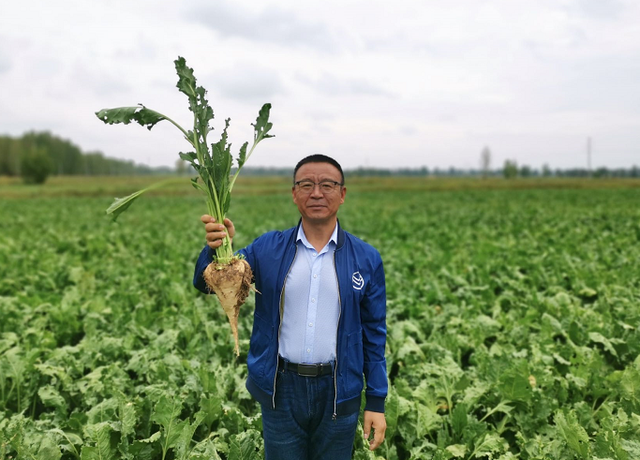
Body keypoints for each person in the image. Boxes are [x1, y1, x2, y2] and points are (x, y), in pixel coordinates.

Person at [193, 154, 387, 459]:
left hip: (338, 391)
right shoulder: (267, 248)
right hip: (280, 391)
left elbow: (374, 335)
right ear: (294, 194)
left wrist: (376, 401)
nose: (317, 193)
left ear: (343, 194)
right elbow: (208, 282)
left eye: (327, 185)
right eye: (306, 184)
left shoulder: (366, 258)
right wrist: (215, 249)